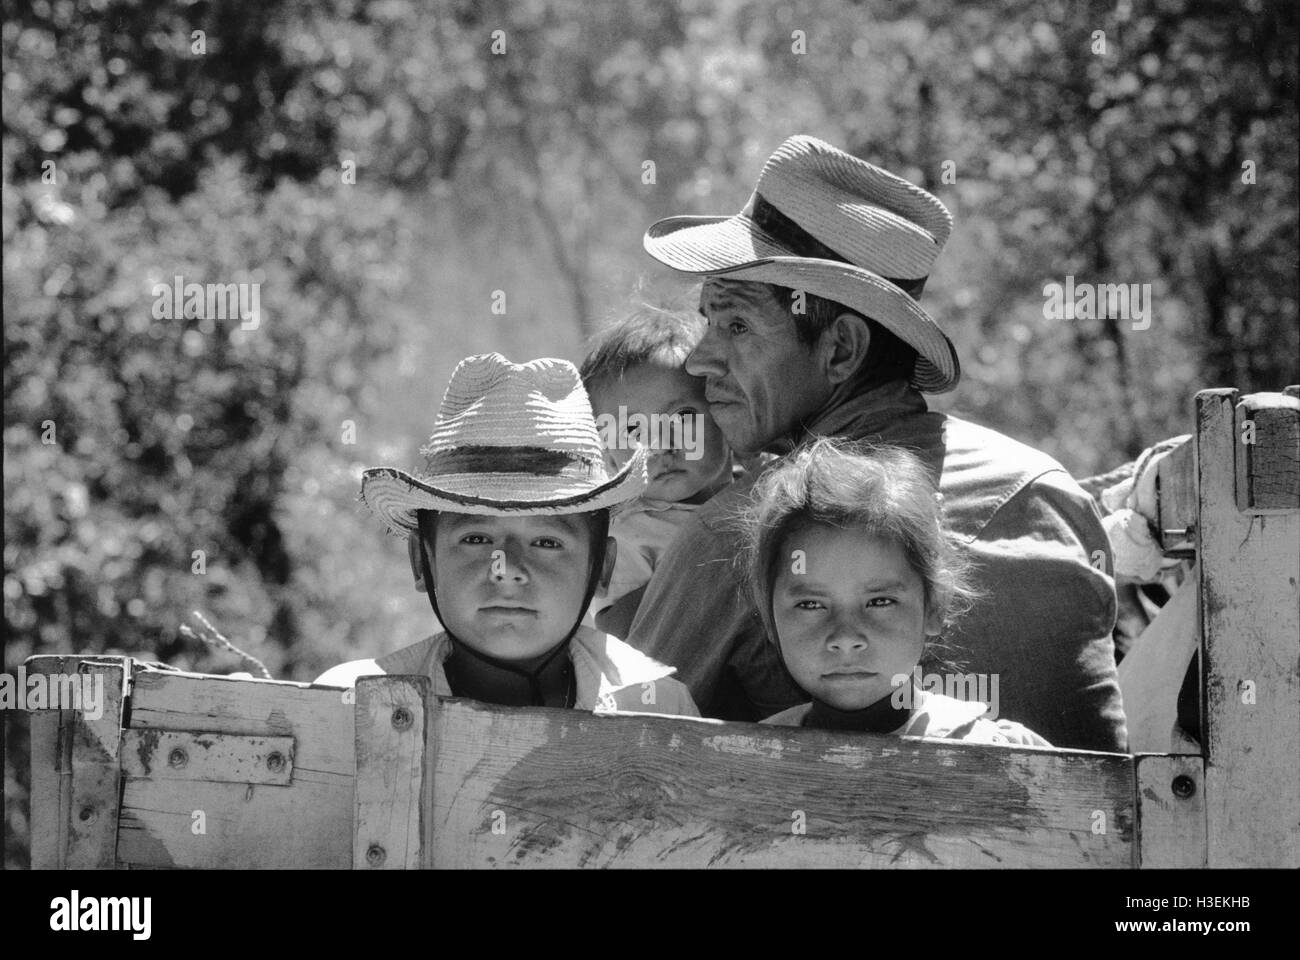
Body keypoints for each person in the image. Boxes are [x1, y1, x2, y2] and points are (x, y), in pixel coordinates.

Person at [626, 134, 1127, 750]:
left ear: (840, 348)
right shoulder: (1048, 491)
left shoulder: (737, 532)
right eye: (709, 323)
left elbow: (622, 761)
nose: (702, 359)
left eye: (736, 325)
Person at [315, 353, 699, 719]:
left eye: (548, 542)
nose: (507, 569)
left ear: (601, 568)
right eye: (477, 539)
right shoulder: (347, 705)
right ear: (422, 562)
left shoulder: (656, 706)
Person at [744, 437, 1050, 746]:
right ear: (769, 617)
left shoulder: (1002, 752)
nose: (846, 639)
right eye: (810, 604)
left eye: (879, 602)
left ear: (934, 608)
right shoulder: (744, 759)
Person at [579, 303, 735, 638]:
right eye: (633, 431)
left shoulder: (765, 489)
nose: (660, 444)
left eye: (681, 418)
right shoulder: (629, 533)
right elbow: (620, 636)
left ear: (725, 409)